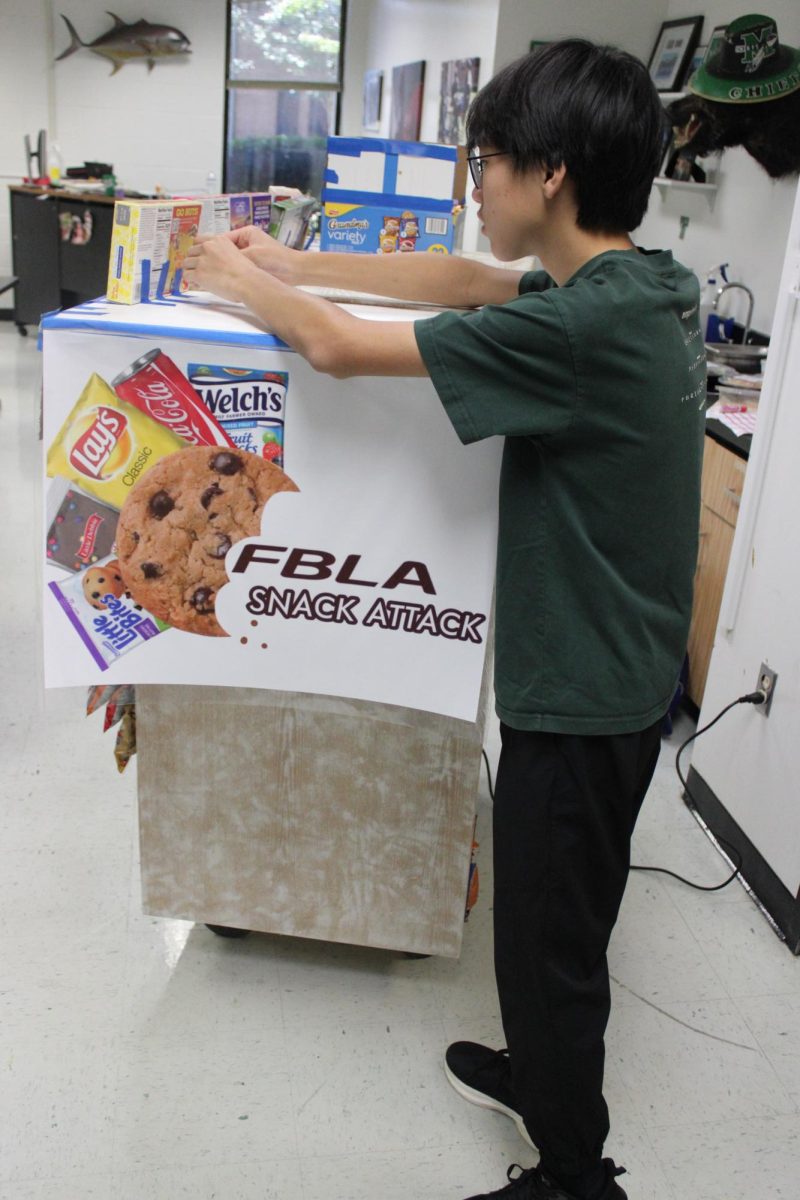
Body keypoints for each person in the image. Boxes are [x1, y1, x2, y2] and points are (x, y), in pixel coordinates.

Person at [184, 38, 705, 1200]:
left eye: (487, 161)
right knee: (553, 917)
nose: (476, 182)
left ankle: (574, 1174)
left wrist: (236, 278)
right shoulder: (631, 286)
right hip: (613, 672)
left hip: (581, 694)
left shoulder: (579, 329)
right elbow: (465, 281)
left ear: (550, 173)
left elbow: (333, 350)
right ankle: (540, 1073)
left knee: (546, 944)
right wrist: (300, 256)